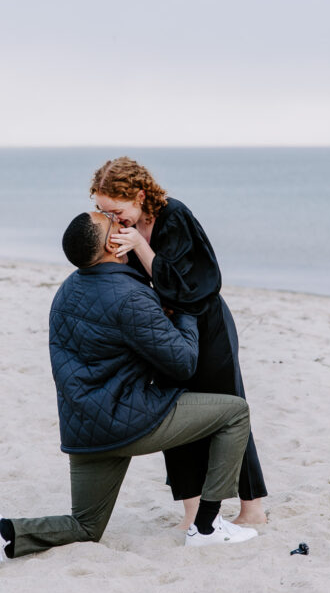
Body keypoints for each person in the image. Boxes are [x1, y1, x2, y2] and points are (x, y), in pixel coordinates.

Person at [0, 211, 257, 573]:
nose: (122, 226)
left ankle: (2, 530)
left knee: (86, 526)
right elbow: (184, 364)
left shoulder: (69, 287)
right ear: (110, 245)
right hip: (128, 422)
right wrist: (182, 310)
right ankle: (208, 525)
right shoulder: (130, 296)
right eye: (113, 226)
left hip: (84, 429)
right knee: (234, 412)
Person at [89, 157, 268, 528]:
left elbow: (188, 287)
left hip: (207, 324)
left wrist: (139, 244)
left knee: (230, 408)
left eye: (117, 210)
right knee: (176, 412)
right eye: (102, 210)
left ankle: (253, 509)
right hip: (165, 333)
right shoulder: (126, 226)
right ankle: (192, 514)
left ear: (139, 195)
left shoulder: (174, 217)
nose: (112, 218)